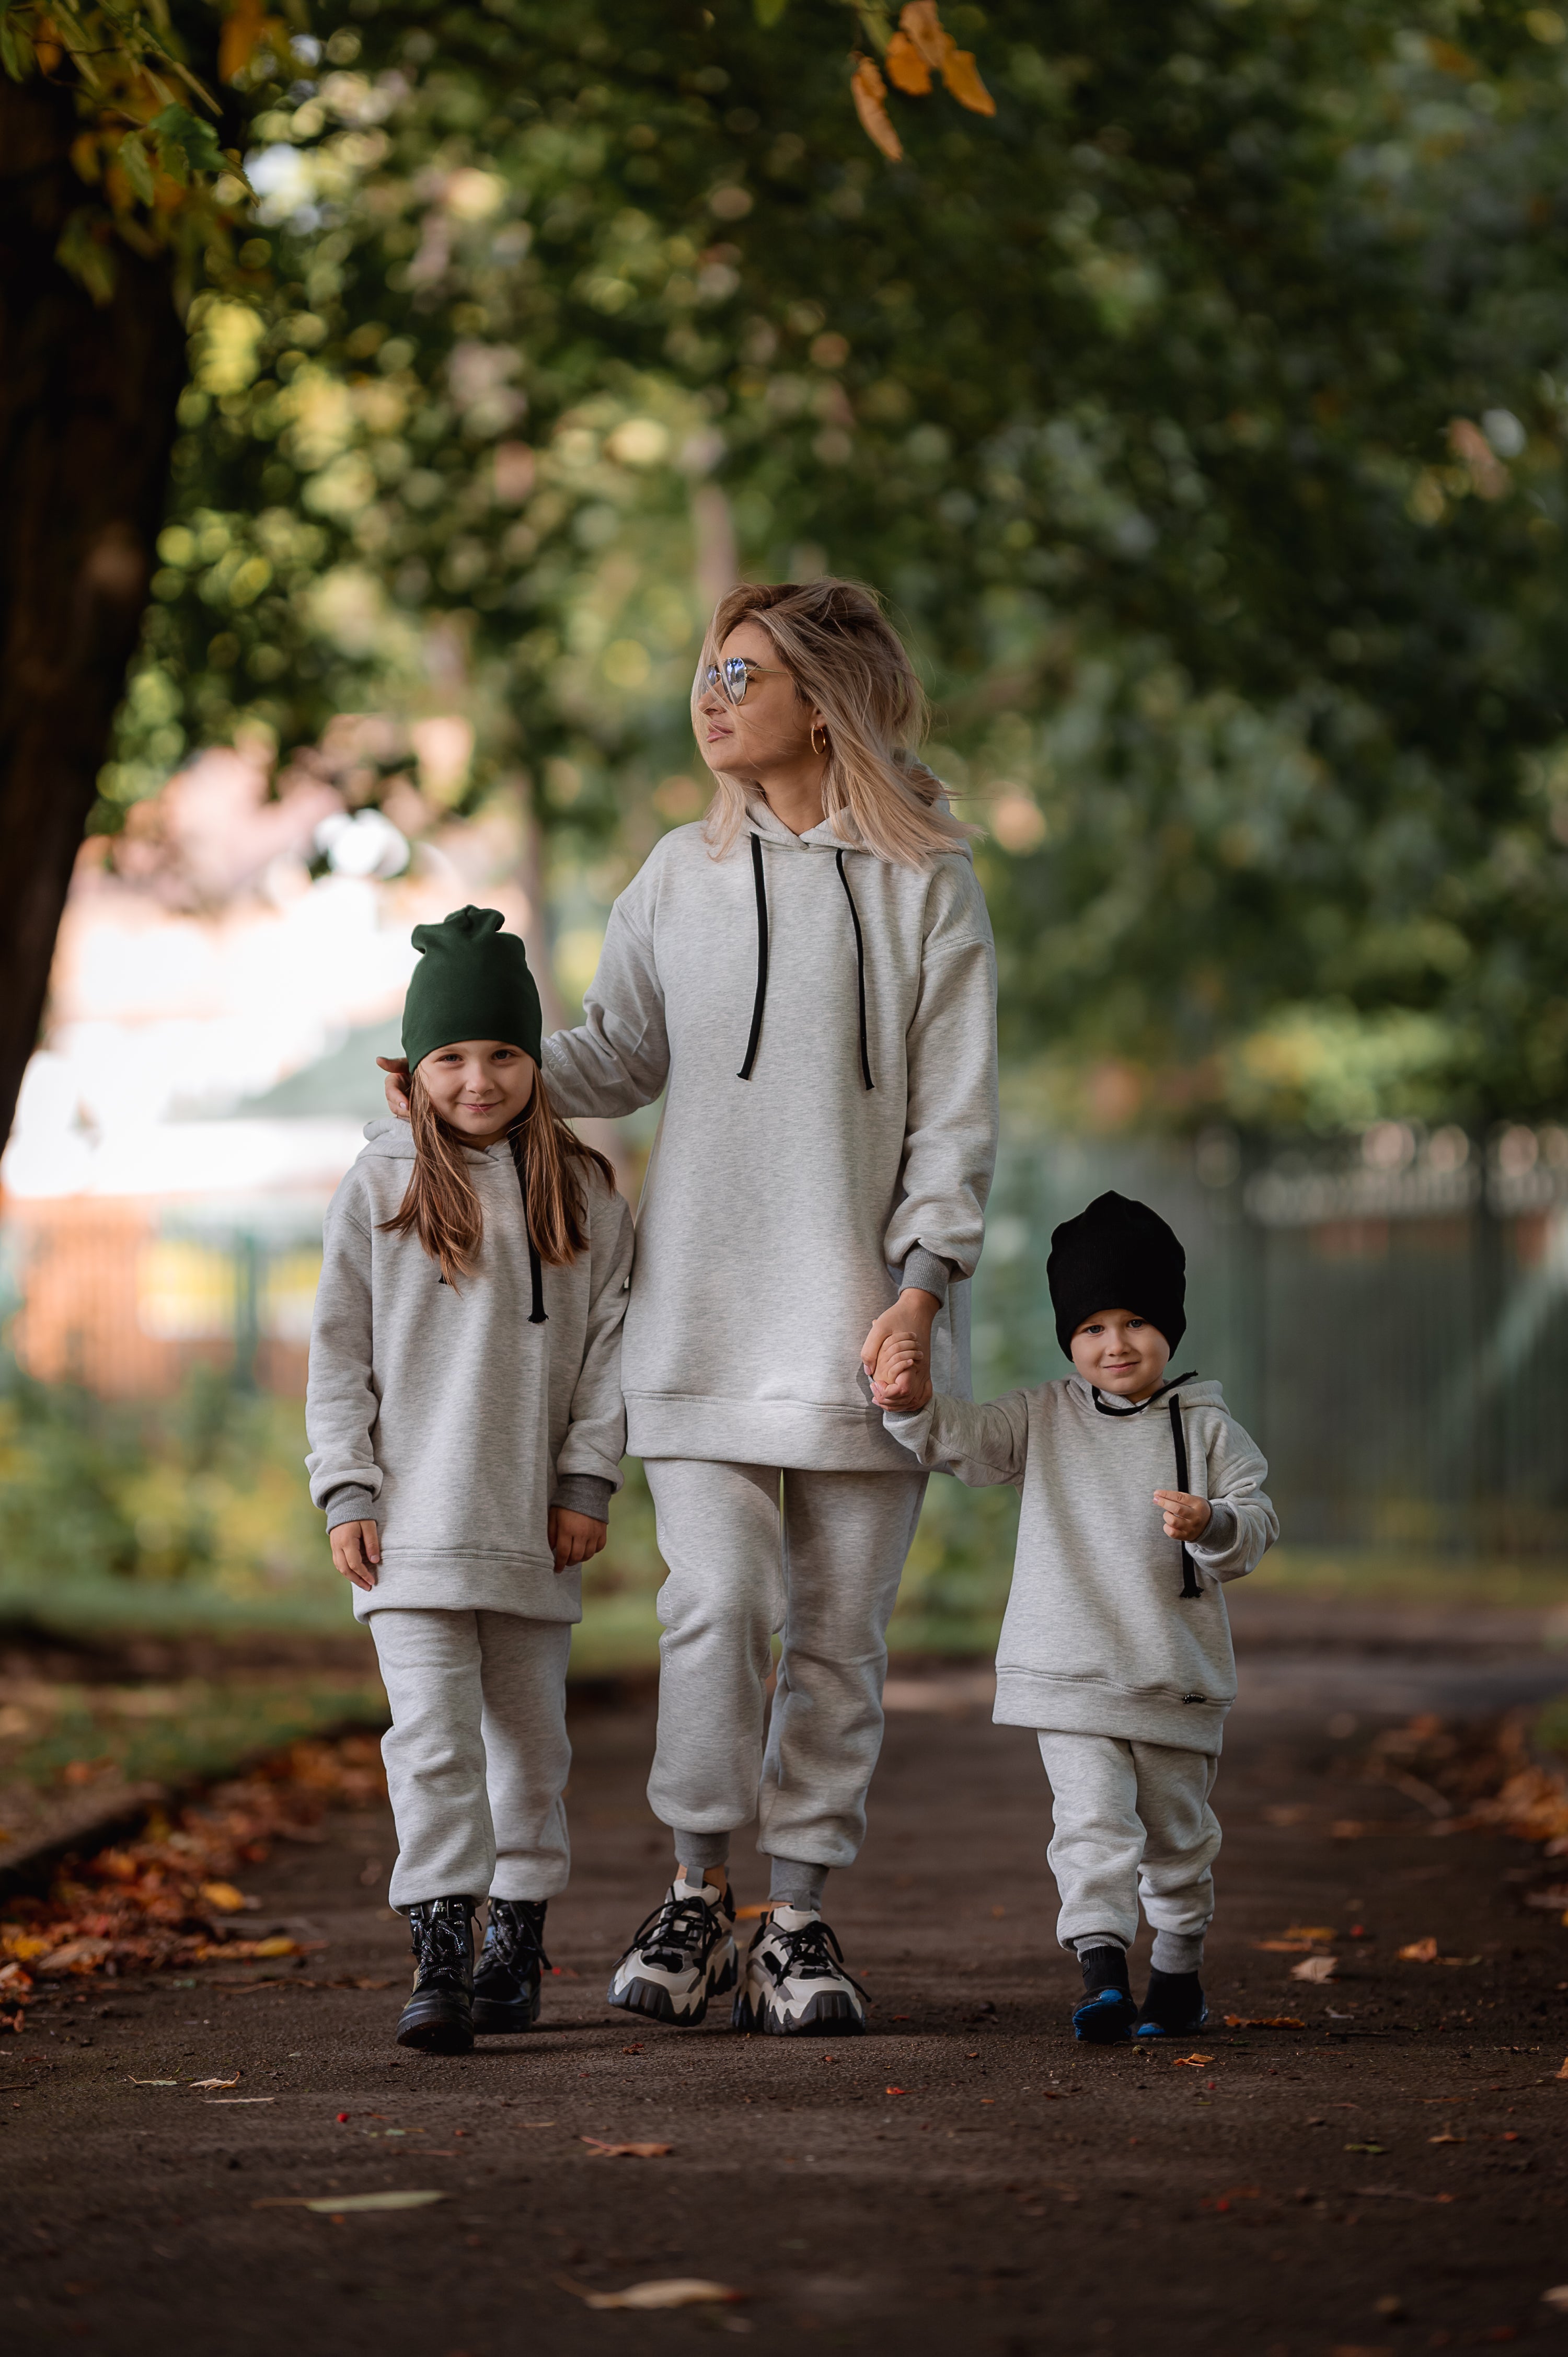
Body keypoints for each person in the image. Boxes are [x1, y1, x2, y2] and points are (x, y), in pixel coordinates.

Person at [381, 578, 998, 2036]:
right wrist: (469, 1066)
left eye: (745, 670)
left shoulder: (930, 884)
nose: (713, 694)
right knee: (717, 1606)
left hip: (870, 1334)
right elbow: (612, 1055)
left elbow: (957, 1124)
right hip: (702, 1318)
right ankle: (693, 1888)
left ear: (825, 698)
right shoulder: (676, 872)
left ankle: (800, 1914)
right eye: (708, 669)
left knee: (842, 1639)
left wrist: (921, 1294)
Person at [308, 905, 633, 2053]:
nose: (479, 1077)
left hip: (532, 1529)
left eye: (502, 1052)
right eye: (451, 1055)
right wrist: (347, 1486)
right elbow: (338, 1353)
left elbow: (608, 1360)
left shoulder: (587, 1192)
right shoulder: (379, 1187)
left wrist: (587, 1482)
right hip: (410, 1531)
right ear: (415, 1068)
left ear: (536, 1060)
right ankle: (439, 1950)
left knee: (528, 1745)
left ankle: (517, 1939)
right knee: (432, 1741)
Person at [873, 1190, 1277, 2043]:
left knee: (1177, 1839)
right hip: (1069, 1673)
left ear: (1171, 1325)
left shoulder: (1208, 1426)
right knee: (1091, 1826)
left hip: (1175, 1678)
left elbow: (1255, 1524)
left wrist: (1213, 1522)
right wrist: (909, 1403)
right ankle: (1101, 1975)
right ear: (1070, 1338)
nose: (1115, 1342)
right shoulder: (1044, 1415)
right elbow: (968, 1441)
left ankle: (1177, 1974)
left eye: (1134, 1320)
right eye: (1092, 1326)